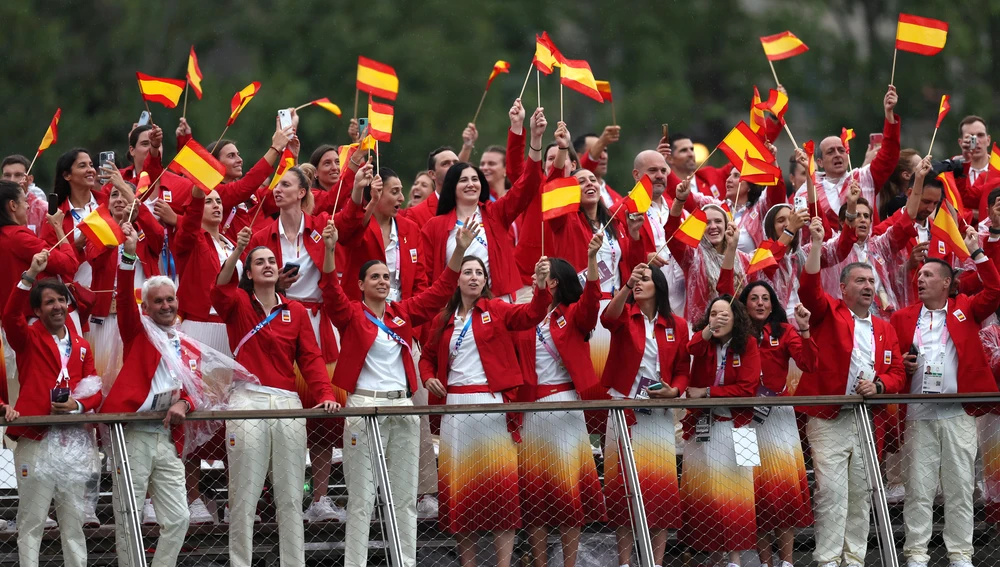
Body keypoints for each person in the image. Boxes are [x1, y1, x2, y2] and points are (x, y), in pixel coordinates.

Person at [321, 210, 478, 567]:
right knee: (361, 498)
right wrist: (330, 251)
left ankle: (405, 561)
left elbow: (439, 293)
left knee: (404, 496)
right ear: (360, 284)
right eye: (374, 277)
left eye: (386, 276)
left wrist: (459, 250)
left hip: (403, 407)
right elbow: (330, 291)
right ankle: (355, 563)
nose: (381, 281)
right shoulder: (351, 314)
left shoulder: (402, 313)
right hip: (364, 408)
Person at [212, 227, 341, 567]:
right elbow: (219, 288)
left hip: (286, 402)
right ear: (250, 273)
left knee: (290, 497)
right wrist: (237, 253)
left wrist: (325, 393)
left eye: (272, 260)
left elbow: (311, 359)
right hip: (247, 401)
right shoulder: (238, 303)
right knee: (244, 497)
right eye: (260, 262)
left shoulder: (295, 310)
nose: (268, 265)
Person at [419, 255, 552, 567]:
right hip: (455, 407)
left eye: (480, 273)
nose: (474, 277)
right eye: (468, 272)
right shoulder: (443, 319)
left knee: (500, 492)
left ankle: (503, 564)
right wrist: (428, 377)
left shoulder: (495, 309)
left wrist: (542, 287)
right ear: (457, 280)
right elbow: (426, 356)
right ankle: (469, 564)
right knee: (461, 492)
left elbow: (531, 314)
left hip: (492, 404)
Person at [796, 216, 905, 567]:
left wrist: (880, 385)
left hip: (866, 420)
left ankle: (854, 559)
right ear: (843, 288)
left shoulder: (885, 328)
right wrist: (815, 244)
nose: (869, 286)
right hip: (829, 418)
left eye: (872, 280)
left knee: (861, 493)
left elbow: (898, 373)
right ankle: (828, 560)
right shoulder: (828, 312)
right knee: (831, 491)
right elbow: (808, 289)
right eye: (860, 280)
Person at [889, 234, 1000, 567]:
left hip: (959, 413)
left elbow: (995, 289)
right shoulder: (903, 318)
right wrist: (903, 366)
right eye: (919, 275)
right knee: (919, 490)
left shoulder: (966, 307)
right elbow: (892, 362)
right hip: (920, 414)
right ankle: (917, 554)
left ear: (947, 283)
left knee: (960, 488)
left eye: (928, 275)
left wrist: (978, 251)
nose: (920, 279)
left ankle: (960, 553)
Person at [100, 223, 194, 567]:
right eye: (158, 301)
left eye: (170, 299)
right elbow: (124, 298)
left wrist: (187, 402)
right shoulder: (138, 331)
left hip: (166, 435)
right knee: (130, 514)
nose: (166, 305)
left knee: (179, 517)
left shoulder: (185, 341)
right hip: (134, 432)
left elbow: (196, 387)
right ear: (147, 306)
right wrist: (128, 256)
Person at [3, 252, 103, 567]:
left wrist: (78, 404)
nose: (58, 306)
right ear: (37, 310)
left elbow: (95, 389)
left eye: (62, 300)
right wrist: (29, 275)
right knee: (32, 520)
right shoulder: (28, 338)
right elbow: (9, 317)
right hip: (36, 436)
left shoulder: (82, 345)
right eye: (49, 302)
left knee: (73, 523)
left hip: (71, 438)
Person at [517, 236, 607, 567]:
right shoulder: (525, 315)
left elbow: (592, 303)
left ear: (553, 281)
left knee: (568, 492)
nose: (534, 277)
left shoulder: (573, 314)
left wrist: (592, 258)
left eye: (542, 273)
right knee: (535, 495)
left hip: (564, 404)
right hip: (530, 409)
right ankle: (541, 563)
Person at [600, 262, 689, 567]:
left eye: (645, 279)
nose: (639, 283)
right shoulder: (625, 314)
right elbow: (606, 318)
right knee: (623, 487)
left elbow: (681, 370)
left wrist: (674, 392)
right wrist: (626, 286)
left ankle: (657, 561)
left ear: (660, 287)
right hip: (624, 409)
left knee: (660, 489)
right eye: (636, 280)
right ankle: (625, 562)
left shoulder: (677, 324)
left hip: (659, 413)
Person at [420, 104, 545, 304]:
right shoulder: (434, 227)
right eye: (463, 180)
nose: (471, 184)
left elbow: (528, 184)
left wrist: (530, 135)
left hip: (497, 303)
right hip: (454, 307)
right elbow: (425, 278)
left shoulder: (496, 213)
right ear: (452, 187)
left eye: (475, 179)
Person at [739, 281, 817, 567]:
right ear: (744, 304)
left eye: (765, 299)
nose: (760, 303)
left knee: (783, 493)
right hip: (743, 422)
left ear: (773, 304)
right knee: (752, 493)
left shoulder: (785, 331)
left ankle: (786, 562)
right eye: (754, 298)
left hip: (779, 419)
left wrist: (805, 329)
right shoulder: (735, 335)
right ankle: (765, 562)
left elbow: (808, 364)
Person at [681, 296, 761, 567]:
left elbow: (748, 388)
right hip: (703, 426)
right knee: (705, 493)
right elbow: (689, 348)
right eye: (713, 313)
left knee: (741, 494)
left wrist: (706, 392)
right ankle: (714, 557)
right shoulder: (703, 342)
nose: (719, 318)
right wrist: (708, 329)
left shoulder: (749, 343)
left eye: (725, 314)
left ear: (736, 317)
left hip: (741, 427)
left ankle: (737, 560)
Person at [83, 167, 164, 376]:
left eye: (123, 194)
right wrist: (116, 232)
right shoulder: (98, 229)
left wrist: (122, 186)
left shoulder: (145, 235)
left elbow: (158, 232)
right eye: (114, 195)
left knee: (134, 374)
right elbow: (95, 260)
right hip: (105, 318)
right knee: (102, 377)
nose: (118, 199)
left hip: (141, 316)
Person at [791, 86, 900, 227]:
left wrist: (889, 114)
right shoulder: (807, 190)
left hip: (865, 248)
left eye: (841, 150)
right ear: (820, 162)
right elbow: (801, 230)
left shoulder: (864, 177)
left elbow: (889, 156)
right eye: (830, 152)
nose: (837, 155)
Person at [40, 148, 107, 288]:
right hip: (75, 297)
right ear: (67, 175)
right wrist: (78, 245)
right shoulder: (56, 216)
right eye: (82, 166)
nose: (90, 170)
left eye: (90, 165)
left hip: (109, 293)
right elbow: (51, 263)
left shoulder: (107, 204)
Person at [575, 127, 622, 207]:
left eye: (605, 151)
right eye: (598, 151)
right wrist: (602, 142)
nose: (604, 156)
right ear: (578, 157)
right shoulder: (573, 189)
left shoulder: (617, 197)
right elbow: (584, 166)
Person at [2, 154, 48, 234]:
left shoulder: (43, 209)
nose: (12, 180)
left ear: (30, 179)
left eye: (18, 175)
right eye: (7, 175)